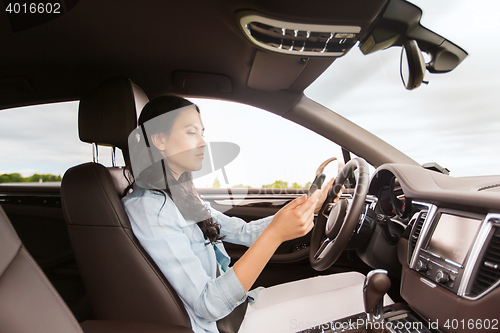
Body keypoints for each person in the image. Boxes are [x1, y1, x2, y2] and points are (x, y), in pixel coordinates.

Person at [121, 96, 368, 333]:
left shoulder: (180, 194)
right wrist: (274, 236)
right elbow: (209, 304)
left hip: (239, 307)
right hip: (224, 325)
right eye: (190, 132)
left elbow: (243, 231)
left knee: (359, 281)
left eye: (202, 132)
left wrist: (311, 205)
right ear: (160, 141)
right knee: (367, 298)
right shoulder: (151, 208)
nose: (203, 142)